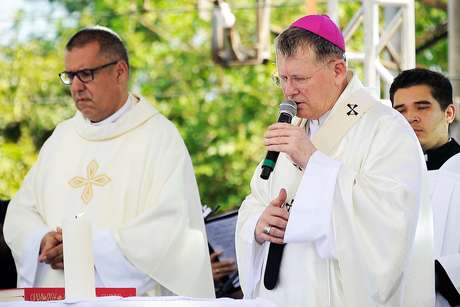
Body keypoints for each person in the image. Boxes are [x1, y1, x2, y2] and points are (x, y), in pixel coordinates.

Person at [235, 15, 434, 306]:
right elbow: (257, 197)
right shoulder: (298, 128)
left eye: (300, 79)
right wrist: (257, 223)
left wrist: (314, 163)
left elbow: (389, 220)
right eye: (283, 79)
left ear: (338, 70)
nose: (288, 92)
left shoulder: (385, 128)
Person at [3, 26, 214, 298]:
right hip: (55, 297)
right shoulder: (62, 138)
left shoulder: (158, 138)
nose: (77, 86)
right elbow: (21, 212)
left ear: (119, 72)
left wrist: (85, 248)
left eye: (86, 74)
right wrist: (42, 241)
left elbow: (169, 229)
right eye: (70, 76)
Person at [390, 68, 460, 307]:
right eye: (400, 110)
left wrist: (435, 273)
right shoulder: (383, 177)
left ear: (449, 112)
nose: (410, 117)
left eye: (422, 107)